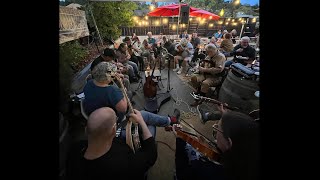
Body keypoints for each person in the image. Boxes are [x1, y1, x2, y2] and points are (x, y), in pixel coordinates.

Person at [66, 107, 158, 180]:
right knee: (151, 127)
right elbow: (152, 155)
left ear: (86, 130)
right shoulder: (125, 165)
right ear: (114, 130)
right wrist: (141, 121)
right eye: (116, 121)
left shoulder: (75, 150)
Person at [174, 104, 260, 180]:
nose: (215, 129)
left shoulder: (207, 171)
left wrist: (179, 142)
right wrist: (227, 117)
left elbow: (181, 173)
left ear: (229, 143)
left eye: (217, 128)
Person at [83, 62, 180, 129]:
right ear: (108, 76)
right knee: (145, 114)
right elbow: (123, 109)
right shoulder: (111, 91)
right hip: (110, 121)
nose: (115, 74)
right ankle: (170, 120)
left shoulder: (90, 83)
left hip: (94, 117)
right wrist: (121, 89)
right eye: (113, 73)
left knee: (128, 94)